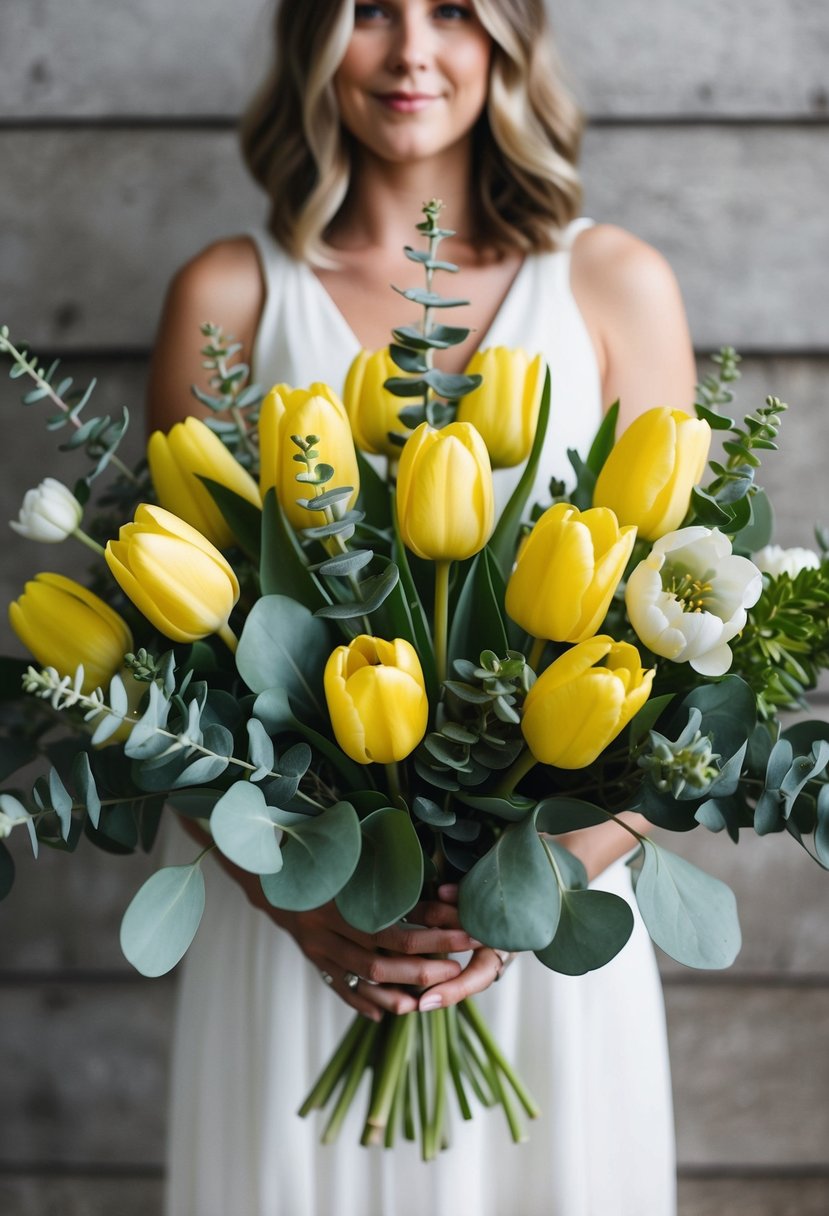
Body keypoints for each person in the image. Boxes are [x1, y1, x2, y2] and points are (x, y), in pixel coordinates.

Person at [147, 2, 697, 1213]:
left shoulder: (613, 285)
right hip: (302, 932)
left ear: (506, 39)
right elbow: (161, 681)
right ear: (311, 40)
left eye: (451, 9)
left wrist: (535, 888)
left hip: (551, 953)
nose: (410, 50)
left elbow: (679, 663)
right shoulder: (231, 295)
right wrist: (292, 904)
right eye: (368, 13)